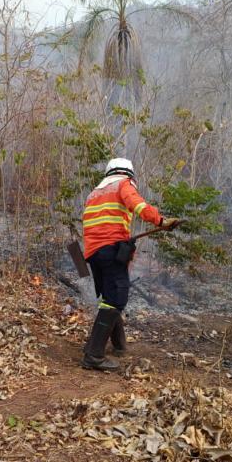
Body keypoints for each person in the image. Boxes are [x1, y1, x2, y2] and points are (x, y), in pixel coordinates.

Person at [81, 157, 179, 371]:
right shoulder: (123, 184)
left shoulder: (93, 194)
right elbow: (139, 206)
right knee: (116, 298)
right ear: (128, 173)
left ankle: (118, 345)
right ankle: (94, 355)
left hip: (93, 252)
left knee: (109, 296)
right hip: (110, 249)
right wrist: (162, 221)